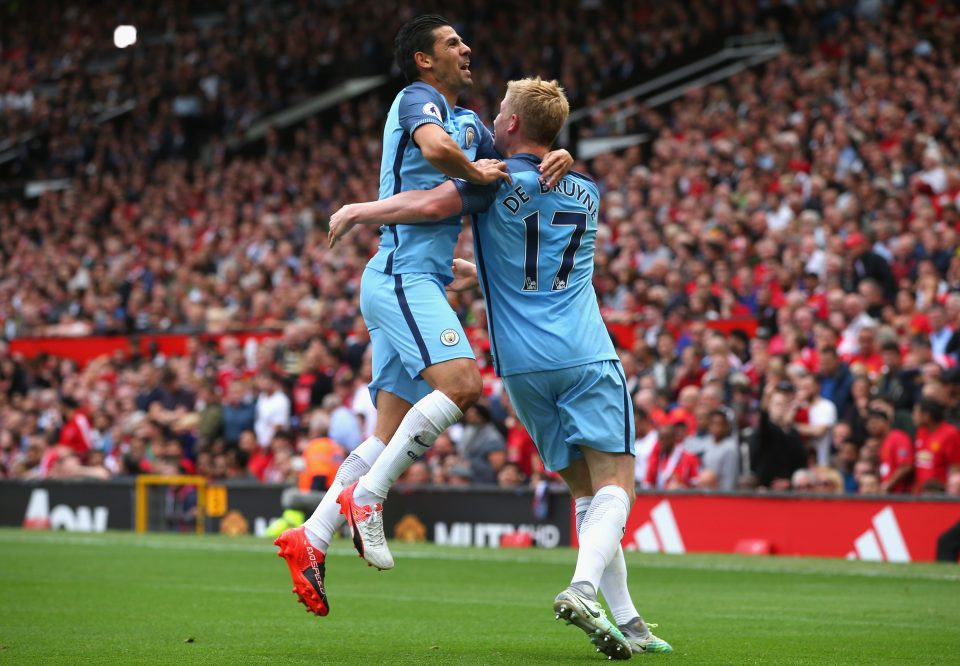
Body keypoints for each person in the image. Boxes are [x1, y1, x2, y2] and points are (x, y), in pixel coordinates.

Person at [329, 77, 670, 656]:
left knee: (587, 493)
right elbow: (541, 214)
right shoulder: (585, 188)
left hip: (521, 369)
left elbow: (429, 205)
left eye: (501, 112)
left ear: (509, 125)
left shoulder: (491, 183)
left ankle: (630, 621)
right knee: (616, 486)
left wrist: (365, 210)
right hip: (584, 351)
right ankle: (583, 588)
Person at [274, 14, 573, 615]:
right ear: (424, 60)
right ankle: (369, 498)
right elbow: (440, 156)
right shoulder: (419, 102)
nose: (467, 48)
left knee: (386, 433)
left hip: (419, 279)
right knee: (463, 383)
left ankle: (308, 537)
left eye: (465, 39)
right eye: (451, 43)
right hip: (400, 277)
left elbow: (513, 164)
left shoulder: (470, 123)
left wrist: (558, 155)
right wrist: (471, 172)